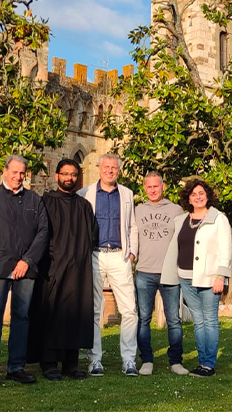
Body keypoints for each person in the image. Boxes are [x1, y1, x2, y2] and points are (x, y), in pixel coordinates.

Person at [0, 155, 49, 386]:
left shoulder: (34, 200)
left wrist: (27, 260)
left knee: (21, 317)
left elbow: (43, 233)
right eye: (15, 172)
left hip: (26, 269)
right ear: (5, 171)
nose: (18, 176)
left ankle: (16, 367)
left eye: (22, 173)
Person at [26, 159, 98, 381]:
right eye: (65, 174)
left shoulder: (84, 206)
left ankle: (71, 364)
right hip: (52, 269)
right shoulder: (45, 202)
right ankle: (49, 364)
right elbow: (38, 234)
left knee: (76, 315)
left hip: (78, 271)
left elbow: (92, 236)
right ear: (56, 176)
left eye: (74, 174)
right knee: (52, 314)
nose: (70, 178)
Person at [160, 179, 232, 378]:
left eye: (201, 193)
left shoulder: (219, 218)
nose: (198, 197)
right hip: (185, 278)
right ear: (188, 198)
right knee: (198, 322)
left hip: (210, 279)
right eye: (193, 194)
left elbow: (226, 249)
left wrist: (221, 276)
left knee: (210, 320)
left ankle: (209, 365)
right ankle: (202, 363)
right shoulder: (182, 220)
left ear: (207, 195)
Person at [78, 153, 139, 377]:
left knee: (129, 310)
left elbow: (132, 225)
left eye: (114, 168)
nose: (110, 171)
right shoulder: (85, 194)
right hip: (94, 255)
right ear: (99, 168)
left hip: (119, 256)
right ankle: (95, 360)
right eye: (106, 167)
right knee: (95, 310)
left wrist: (132, 252)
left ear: (118, 171)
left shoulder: (127, 194)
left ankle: (129, 360)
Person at [134, 171, 187, 376]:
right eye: (149, 187)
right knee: (143, 318)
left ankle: (176, 361)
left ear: (163, 187)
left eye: (156, 186)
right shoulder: (137, 210)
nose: (153, 190)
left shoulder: (176, 210)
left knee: (174, 319)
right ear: (144, 188)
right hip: (144, 272)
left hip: (169, 272)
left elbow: (183, 240)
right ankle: (146, 360)